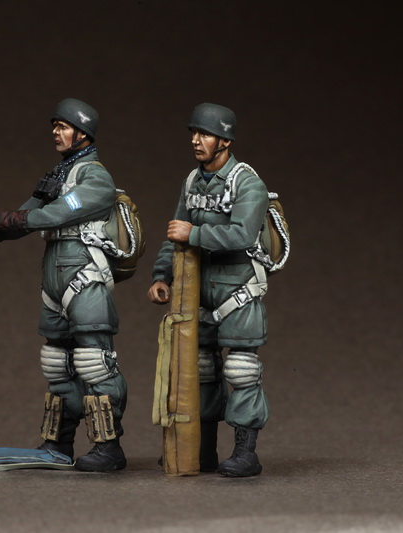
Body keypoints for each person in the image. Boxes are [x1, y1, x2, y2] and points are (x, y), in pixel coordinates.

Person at [0, 98, 128, 472]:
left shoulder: (96, 177)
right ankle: (58, 443)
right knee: (57, 364)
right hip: (54, 280)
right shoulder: (60, 175)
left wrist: (14, 219)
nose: (56, 133)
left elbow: (56, 213)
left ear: (83, 133)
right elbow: (30, 213)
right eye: (55, 126)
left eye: (63, 126)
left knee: (95, 363)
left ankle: (108, 447)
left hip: (84, 277)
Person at [148, 103, 270, 477]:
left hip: (238, 292)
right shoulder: (192, 182)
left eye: (205, 134)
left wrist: (195, 233)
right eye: (194, 133)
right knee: (200, 371)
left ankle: (246, 453)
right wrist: (161, 276)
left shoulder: (247, 183)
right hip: (197, 292)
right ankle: (202, 451)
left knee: (241, 370)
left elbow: (243, 234)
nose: (196, 140)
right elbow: (175, 233)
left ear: (225, 141)